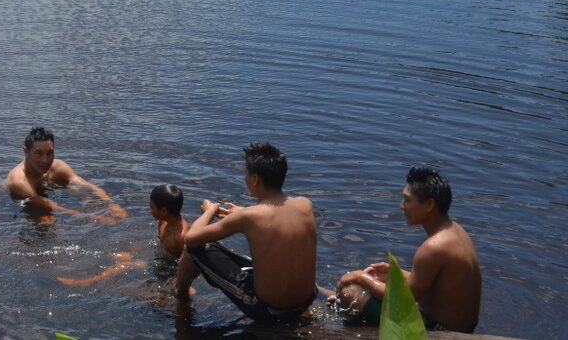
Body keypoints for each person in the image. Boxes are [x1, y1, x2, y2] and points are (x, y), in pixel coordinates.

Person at [176, 142, 317, 323]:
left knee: (195, 249)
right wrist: (244, 211)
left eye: (246, 175)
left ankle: (180, 297)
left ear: (256, 180)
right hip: (305, 302)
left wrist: (210, 210)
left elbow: (190, 238)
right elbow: (273, 219)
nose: (245, 179)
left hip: (268, 309)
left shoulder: (250, 216)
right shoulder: (305, 204)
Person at [332, 167, 481, 333]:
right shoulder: (457, 232)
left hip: (439, 331)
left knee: (351, 292)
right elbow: (435, 286)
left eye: (408, 200)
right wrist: (396, 274)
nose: (402, 206)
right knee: (381, 282)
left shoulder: (433, 247)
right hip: (462, 327)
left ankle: (359, 332)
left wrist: (360, 277)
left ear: (429, 204)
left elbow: (402, 299)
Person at [56, 183, 188, 289]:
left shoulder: (180, 237)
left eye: (152, 207)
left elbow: (185, 266)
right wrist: (134, 251)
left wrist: (178, 285)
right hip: (160, 259)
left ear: (163, 211)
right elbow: (157, 243)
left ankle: (87, 282)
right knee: (120, 255)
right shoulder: (163, 221)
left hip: (169, 269)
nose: (150, 210)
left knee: (126, 265)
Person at [5, 126, 127, 224]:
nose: (45, 160)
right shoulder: (19, 180)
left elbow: (83, 184)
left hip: (42, 195)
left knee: (83, 194)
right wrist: (92, 217)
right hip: (17, 202)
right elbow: (50, 205)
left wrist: (111, 203)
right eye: (38, 153)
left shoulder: (58, 166)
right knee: (46, 220)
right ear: (26, 152)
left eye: (50, 153)